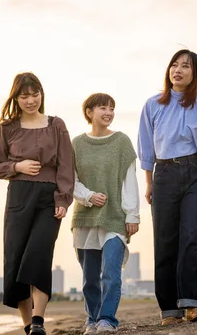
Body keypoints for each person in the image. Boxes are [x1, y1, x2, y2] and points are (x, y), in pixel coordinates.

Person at [137, 50, 197, 326]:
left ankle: (191, 303)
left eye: (185, 66)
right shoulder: (153, 105)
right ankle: (169, 310)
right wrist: (149, 183)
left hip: (196, 174)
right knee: (165, 239)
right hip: (163, 174)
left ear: (194, 74)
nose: (178, 70)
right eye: (174, 65)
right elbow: (147, 147)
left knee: (193, 235)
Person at [0, 72, 74, 335]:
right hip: (18, 196)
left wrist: (63, 199)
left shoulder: (56, 124)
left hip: (49, 197)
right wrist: (17, 166)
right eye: (24, 96)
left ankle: (38, 321)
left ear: (41, 94)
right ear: (16, 97)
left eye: (35, 94)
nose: (30, 100)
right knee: (15, 260)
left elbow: (66, 165)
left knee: (38, 255)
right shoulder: (7, 128)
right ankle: (28, 327)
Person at [71, 93, 140, 334]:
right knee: (90, 278)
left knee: (111, 272)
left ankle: (107, 319)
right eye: (103, 108)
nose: (109, 112)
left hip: (114, 218)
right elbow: (71, 180)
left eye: (112, 108)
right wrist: (88, 196)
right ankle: (92, 319)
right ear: (89, 112)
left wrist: (133, 214)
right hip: (85, 218)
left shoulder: (121, 141)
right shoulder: (77, 144)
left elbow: (130, 180)